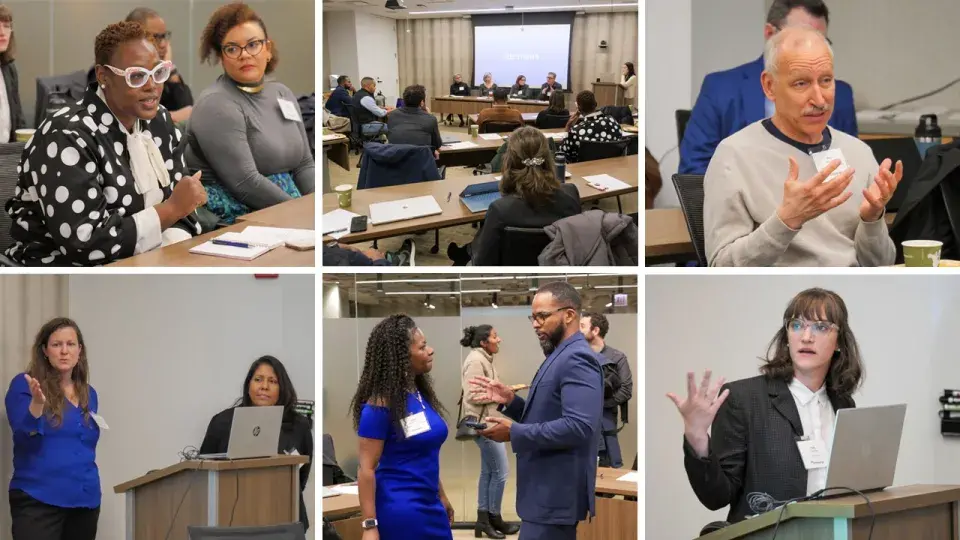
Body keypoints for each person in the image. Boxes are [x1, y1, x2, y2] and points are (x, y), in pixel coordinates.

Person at [4, 21, 205, 266]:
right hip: (62, 276)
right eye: (137, 76)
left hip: (148, 264)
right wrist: (170, 210)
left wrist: (166, 254)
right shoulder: (66, 134)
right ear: (103, 76)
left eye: (158, 72)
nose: (152, 86)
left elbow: (187, 209)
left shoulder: (159, 121)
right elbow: (85, 244)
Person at [704, 26, 899, 267]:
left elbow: (882, 266)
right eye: (800, 84)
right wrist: (786, 221)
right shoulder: (734, 156)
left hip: (852, 286)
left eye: (826, 81)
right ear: (769, 86)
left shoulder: (858, 152)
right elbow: (722, 268)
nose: (819, 99)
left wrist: (872, 220)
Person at [667, 287, 862, 524]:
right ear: (787, 337)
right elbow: (716, 497)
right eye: (797, 325)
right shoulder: (743, 399)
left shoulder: (843, 403)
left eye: (820, 327)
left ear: (839, 341)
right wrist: (697, 436)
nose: (806, 337)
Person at [470, 282, 603, 540]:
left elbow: (579, 427)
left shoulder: (577, 357)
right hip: (543, 495)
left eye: (542, 316)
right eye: (533, 317)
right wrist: (510, 401)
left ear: (569, 315)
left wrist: (514, 433)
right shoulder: (560, 354)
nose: (535, 324)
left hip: (554, 495)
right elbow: (548, 415)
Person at [679, 0, 857, 175]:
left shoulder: (840, 96)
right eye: (799, 41)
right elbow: (693, 173)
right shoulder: (720, 89)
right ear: (770, 33)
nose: (810, 51)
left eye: (820, 41)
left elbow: (850, 171)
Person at [186, 2, 315, 226]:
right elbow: (245, 183)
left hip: (291, 210)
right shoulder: (216, 104)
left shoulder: (282, 93)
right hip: (241, 220)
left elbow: (304, 164)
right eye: (232, 48)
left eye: (253, 45)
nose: (244, 55)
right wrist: (303, 215)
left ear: (268, 49)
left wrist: (318, 207)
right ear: (222, 57)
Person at [351, 314, 454, 540]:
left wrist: (441, 495)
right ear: (401, 357)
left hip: (430, 504)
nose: (431, 351)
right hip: (401, 510)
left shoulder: (417, 394)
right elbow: (366, 469)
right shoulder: (379, 405)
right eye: (423, 347)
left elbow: (422, 453)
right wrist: (369, 525)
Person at [6, 317, 101, 540]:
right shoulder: (25, 384)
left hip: (85, 501)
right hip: (38, 500)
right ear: (45, 351)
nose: (64, 351)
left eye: (70, 344)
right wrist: (37, 405)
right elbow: (23, 438)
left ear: (80, 350)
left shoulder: (89, 394)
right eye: (57, 345)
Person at [200, 356, 313, 531]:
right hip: (231, 520)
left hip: (285, 518)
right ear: (248, 385)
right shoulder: (222, 422)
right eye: (258, 379)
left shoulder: (298, 425)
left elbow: (301, 476)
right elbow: (203, 474)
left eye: (272, 381)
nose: (264, 386)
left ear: (282, 388)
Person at [450, 126, 581, 265]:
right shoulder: (571, 196)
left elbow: (483, 263)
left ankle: (465, 252)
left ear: (508, 161)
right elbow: (578, 247)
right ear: (549, 159)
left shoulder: (500, 209)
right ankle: (465, 251)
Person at [459, 325, 520, 539]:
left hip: (488, 423)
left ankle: (484, 520)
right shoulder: (476, 361)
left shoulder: (484, 359)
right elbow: (472, 395)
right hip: (484, 426)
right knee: (501, 472)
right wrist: (502, 395)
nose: (499, 339)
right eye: (495, 336)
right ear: (484, 342)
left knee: (488, 472)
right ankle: (493, 518)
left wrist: (504, 391)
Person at [580, 312, 632, 468]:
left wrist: (599, 404)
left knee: (607, 466)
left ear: (595, 330)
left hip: (606, 421)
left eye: (582, 326)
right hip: (580, 422)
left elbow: (626, 390)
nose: (578, 330)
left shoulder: (617, 357)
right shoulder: (577, 355)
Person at [125, 7, 193, 124]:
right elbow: (129, 118)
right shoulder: (119, 72)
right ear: (134, 37)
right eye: (156, 37)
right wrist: (171, 117)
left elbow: (186, 111)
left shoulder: (158, 71)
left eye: (164, 36)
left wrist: (170, 71)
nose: (163, 44)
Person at [558, 90, 623, 163]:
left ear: (579, 108)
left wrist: (567, 128)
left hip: (584, 168)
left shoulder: (576, 131)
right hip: (612, 166)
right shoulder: (612, 121)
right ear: (596, 104)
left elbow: (562, 154)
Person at [387, 84, 442, 160]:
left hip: (396, 161)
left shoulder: (392, 115)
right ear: (422, 102)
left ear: (404, 100)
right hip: (421, 163)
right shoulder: (430, 119)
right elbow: (437, 144)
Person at [0, 4, 24, 142]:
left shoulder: (9, 69)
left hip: (8, 151)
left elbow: (18, 119)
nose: (2, 32)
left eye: (6, 26)